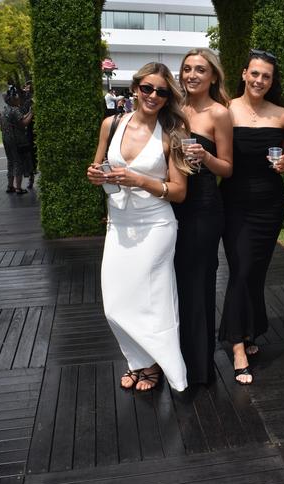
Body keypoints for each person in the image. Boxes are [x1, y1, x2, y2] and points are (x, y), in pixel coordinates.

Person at [86, 62, 190, 392]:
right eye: (147, 88)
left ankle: (157, 366)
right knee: (115, 302)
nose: (153, 96)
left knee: (151, 300)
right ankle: (138, 360)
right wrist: (95, 176)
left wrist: (140, 180)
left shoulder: (172, 133)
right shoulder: (111, 124)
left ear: (166, 96)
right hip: (119, 224)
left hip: (156, 225)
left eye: (161, 91)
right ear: (135, 88)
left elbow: (179, 192)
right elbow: (97, 166)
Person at [218, 49, 284, 385]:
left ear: (272, 80)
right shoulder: (226, 109)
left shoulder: (282, 116)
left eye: (267, 76)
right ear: (244, 73)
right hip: (233, 202)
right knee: (240, 270)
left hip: (269, 204)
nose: (260, 80)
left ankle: (250, 331)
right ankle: (236, 345)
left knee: (255, 272)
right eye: (255, 73)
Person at [173, 48, 233, 386]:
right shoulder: (172, 111)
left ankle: (199, 368)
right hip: (170, 204)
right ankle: (171, 360)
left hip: (204, 208)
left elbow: (228, 167)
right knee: (172, 284)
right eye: (186, 69)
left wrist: (206, 156)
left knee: (198, 285)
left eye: (200, 69)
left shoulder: (219, 114)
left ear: (213, 76)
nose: (192, 74)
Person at [0, 91, 33, 194]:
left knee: (10, 162)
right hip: (16, 140)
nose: (18, 98)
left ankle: (10, 186)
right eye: (16, 97)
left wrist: (28, 112)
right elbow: (23, 123)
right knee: (18, 162)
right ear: (12, 100)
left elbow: (1, 127)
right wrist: (32, 113)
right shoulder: (14, 110)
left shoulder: (4, 111)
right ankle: (18, 187)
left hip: (6, 138)